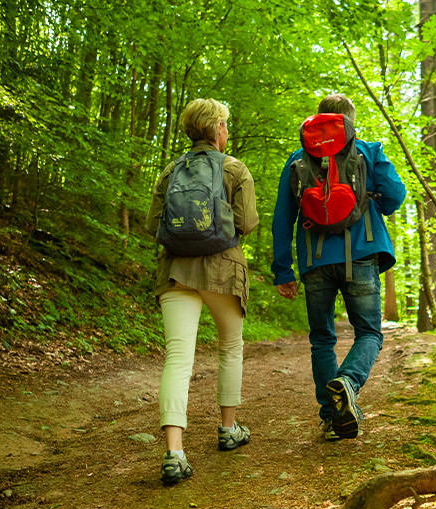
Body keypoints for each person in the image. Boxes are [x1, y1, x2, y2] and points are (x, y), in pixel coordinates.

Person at [271, 93, 406, 441]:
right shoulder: (368, 151)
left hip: (315, 261)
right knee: (370, 333)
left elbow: (282, 219)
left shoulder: (297, 159)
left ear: (318, 121)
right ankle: (347, 383)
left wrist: (283, 270)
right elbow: (395, 196)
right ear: (349, 122)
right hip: (361, 255)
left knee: (322, 340)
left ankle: (332, 415)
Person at [145, 98, 258, 484]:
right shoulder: (234, 169)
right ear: (217, 130)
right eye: (225, 125)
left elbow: (151, 224)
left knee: (178, 357)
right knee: (230, 347)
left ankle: (174, 453)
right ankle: (228, 430)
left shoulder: (171, 170)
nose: (227, 132)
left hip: (177, 270)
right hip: (224, 271)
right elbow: (248, 223)